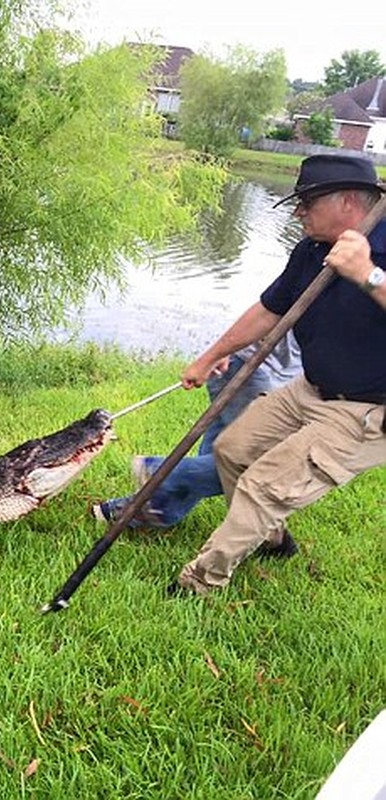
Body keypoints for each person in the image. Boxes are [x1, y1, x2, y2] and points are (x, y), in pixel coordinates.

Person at [169, 153, 386, 596]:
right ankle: (271, 537)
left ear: (348, 202)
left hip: (367, 413)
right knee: (232, 449)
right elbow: (270, 309)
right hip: (310, 390)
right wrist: (210, 356)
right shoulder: (311, 250)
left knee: (264, 486)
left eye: (306, 201)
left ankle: (200, 582)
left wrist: (366, 274)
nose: (297, 211)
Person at [90, 332, 301, 534]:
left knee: (214, 462)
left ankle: (141, 510)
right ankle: (161, 471)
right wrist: (217, 354)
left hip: (249, 374)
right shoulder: (322, 295)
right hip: (250, 376)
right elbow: (268, 310)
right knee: (252, 465)